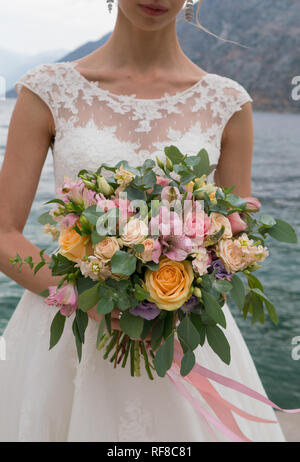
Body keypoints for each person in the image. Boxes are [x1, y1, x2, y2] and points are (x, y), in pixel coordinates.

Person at [0, 0, 286, 441]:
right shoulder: (47, 89)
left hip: (184, 330)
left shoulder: (228, 102)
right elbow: (3, 233)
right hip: (68, 332)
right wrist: (89, 301)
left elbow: (232, 242)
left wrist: (191, 275)